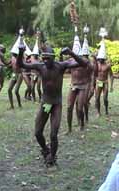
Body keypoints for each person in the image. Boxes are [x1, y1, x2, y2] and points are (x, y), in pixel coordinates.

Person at [17, 38, 89, 166]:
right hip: (45, 103)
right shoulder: (40, 66)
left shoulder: (60, 66)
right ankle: (45, 150)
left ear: (53, 58)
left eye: (47, 58)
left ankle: (53, 157)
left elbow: (84, 63)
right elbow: (22, 65)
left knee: (53, 134)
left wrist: (71, 53)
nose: (45, 61)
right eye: (43, 58)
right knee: (38, 132)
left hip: (56, 104)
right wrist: (21, 52)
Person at [67, 26, 92, 132]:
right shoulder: (69, 61)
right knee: (69, 108)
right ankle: (69, 129)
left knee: (79, 108)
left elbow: (91, 74)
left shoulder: (86, 62)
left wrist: (90, 86)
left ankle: (82, 123)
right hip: (73, 85)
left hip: (83, 86)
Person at [95, 28, 113, 116]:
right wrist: (92, 83)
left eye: (102, 59)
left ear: (104, 58)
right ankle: (98, 112)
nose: (100, 60)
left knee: (105, 98)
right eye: (99, 59)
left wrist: (111, 86)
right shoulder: (96, 64)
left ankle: (106, 110)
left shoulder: (108, 65)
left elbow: (111, 75)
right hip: (98, 82)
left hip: (105, 82)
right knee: (97, 98)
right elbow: (93, 73)